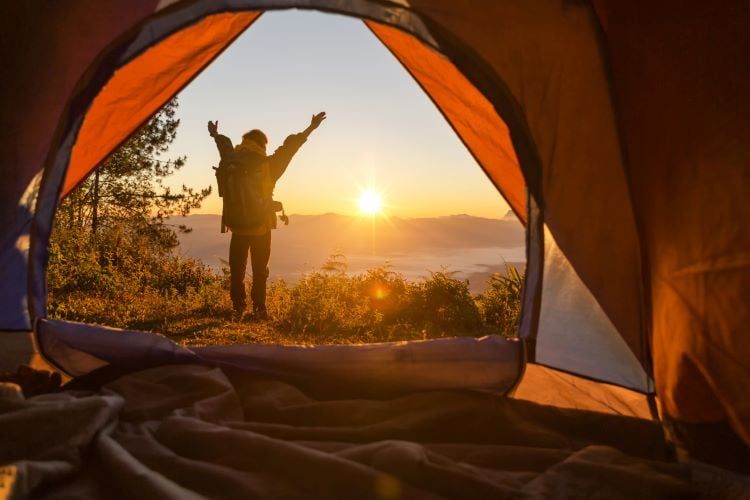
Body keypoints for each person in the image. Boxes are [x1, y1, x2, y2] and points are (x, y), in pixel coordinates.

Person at [208, 112, 326, 320]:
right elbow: (290, 147)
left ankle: (237, 307)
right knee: (259, 269)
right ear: (262, 144)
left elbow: (224, 144)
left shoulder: (230, 159)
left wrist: (215, 134)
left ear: (244, 142)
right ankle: (259, 309)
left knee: (237, 268)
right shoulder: (269, 165)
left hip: (236, 225)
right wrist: (311, 128)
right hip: (261, 226)